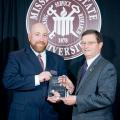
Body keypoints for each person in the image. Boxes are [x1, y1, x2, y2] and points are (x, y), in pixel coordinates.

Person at [3, 22, 69, 120]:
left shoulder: (58, 59)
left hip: (49, 115)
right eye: (37, 34)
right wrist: (37, 78)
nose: (41, 39)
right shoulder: (16, 56)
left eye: (44, 35)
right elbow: (8, 81)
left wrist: (59, 97)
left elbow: (63, 86)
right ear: (30, 37)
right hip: (22, 115)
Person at [52, 29, 117, 120]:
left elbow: (106, 98)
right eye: (83, 43)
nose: (86, 46)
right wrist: (71, 88)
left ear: (100, 45)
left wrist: (76, 100)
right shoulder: (83, 67)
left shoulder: (107, 67)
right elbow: (84, 92)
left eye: (90, 43)